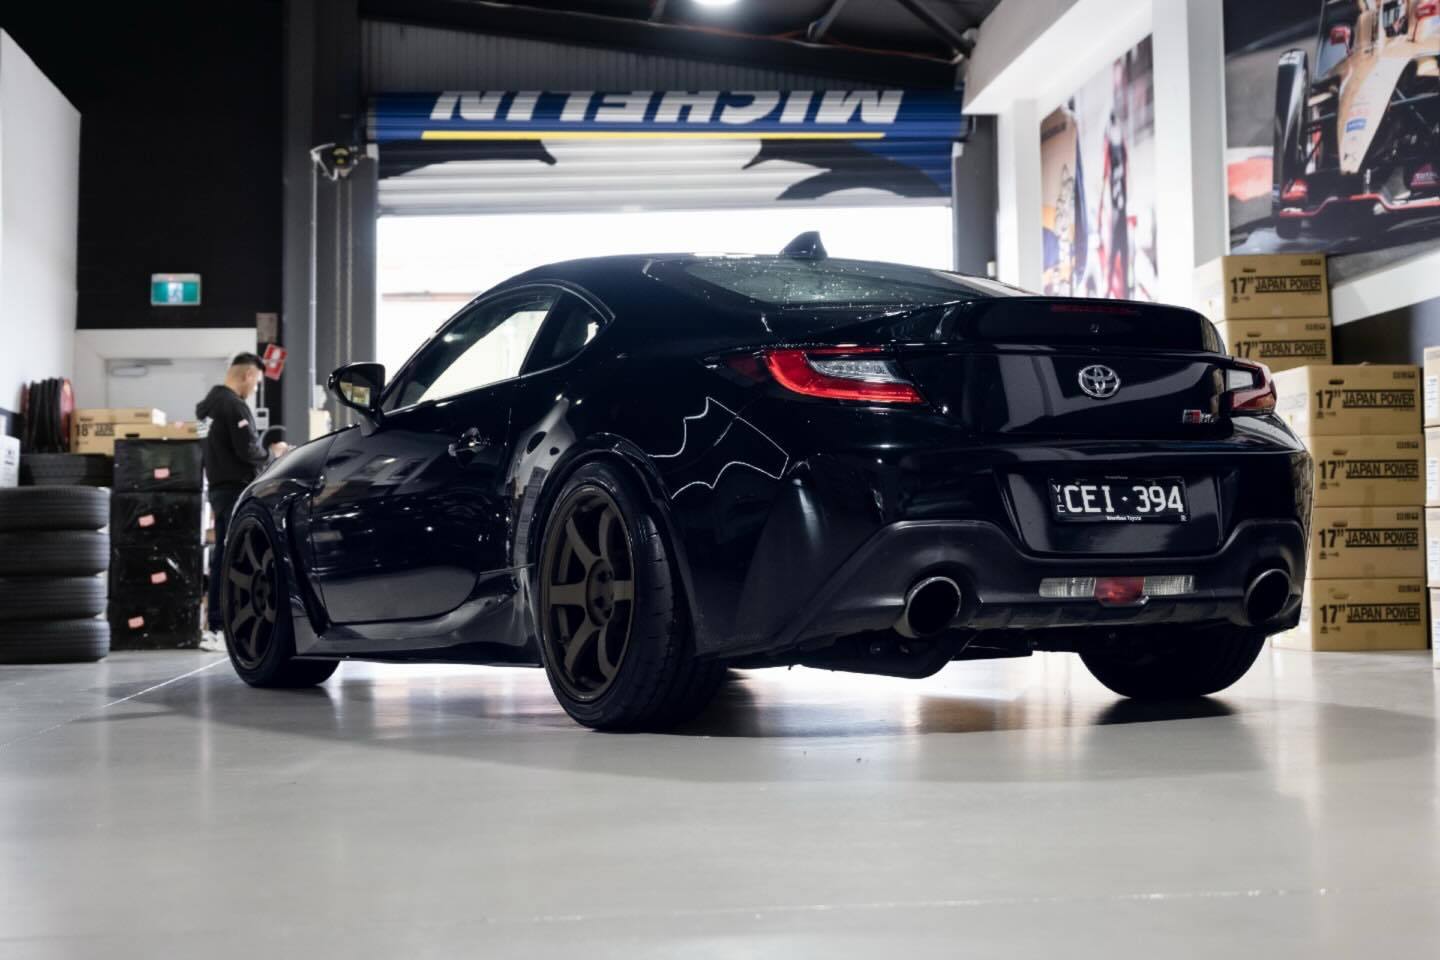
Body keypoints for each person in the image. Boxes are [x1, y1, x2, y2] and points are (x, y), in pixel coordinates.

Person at [196, 353, 289, 638]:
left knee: (224, 553)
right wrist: (274, 454)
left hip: (218, 488)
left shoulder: (205, 409)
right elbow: (248, 450)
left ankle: (217, 619)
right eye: (257, 383)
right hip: (236, 490)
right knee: (233, 555)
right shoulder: (233, 406)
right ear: (248, 375)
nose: (255, 389)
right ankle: (220, 622)